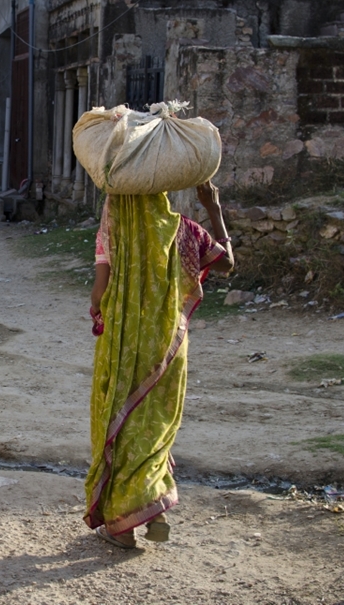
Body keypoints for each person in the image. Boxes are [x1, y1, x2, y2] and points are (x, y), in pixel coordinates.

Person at [85, 181, 234, 549]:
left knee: (120, 422)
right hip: (167, 347)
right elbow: (227, 264)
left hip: (121, 347)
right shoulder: (184, 231)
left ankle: (124, 526)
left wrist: (101, 307)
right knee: (154, 426)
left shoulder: (113, 235)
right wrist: (213, 207)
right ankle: (156, 511)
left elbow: (98, 296)